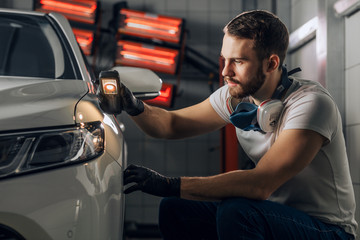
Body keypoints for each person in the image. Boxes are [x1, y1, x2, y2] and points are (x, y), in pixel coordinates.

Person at [121, 10, 357, 239]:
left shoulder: (310, 103)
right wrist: (134, 106)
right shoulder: (235, 96)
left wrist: (170, 184)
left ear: (271, 64)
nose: (225, 71)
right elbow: (171, 125)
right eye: (225, 59)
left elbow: (260, 183)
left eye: (239, 62)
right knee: (175, 208)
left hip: (327, 230)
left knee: (237, 212)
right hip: (273, 216)